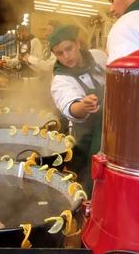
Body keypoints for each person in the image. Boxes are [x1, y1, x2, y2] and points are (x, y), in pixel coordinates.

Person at [50, 25, 107, 195]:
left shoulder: (98, 56)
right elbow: (69, 105)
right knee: (86, 180)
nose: (66, 56)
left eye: (69, 49)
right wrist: (83, 106)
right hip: (85, 139)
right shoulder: (60, 79)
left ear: (78, 44)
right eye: (59, 53)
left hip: (110, 131)